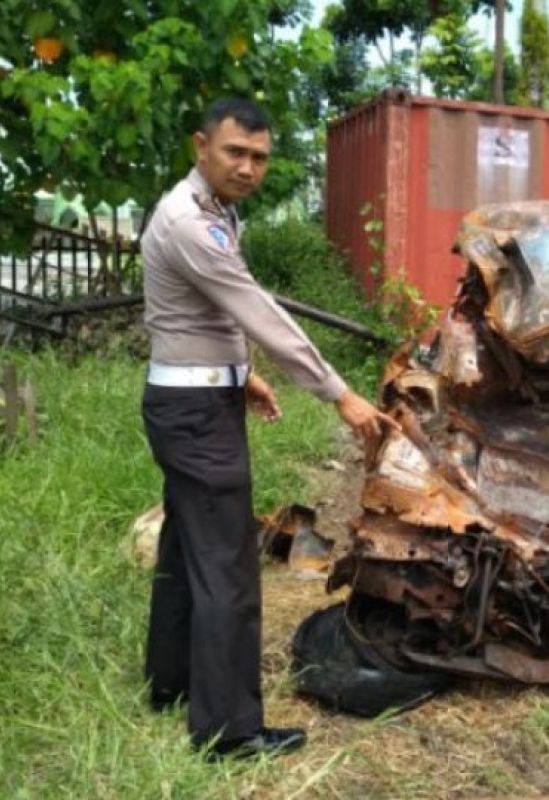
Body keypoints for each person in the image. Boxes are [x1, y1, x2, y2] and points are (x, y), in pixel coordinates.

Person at [139, 97, 396, 760]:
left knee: (184, 549)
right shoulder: (190, 223)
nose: (248, 167)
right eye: (235, 152)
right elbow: (258, 310)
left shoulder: (214, 213)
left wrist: (241, 373)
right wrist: (340, 395)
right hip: (195, 417)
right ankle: (229, 732)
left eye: (259, 156)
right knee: (228, 567)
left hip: (189, 402)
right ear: (202, 146)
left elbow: (203, 315)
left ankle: (169, 684)